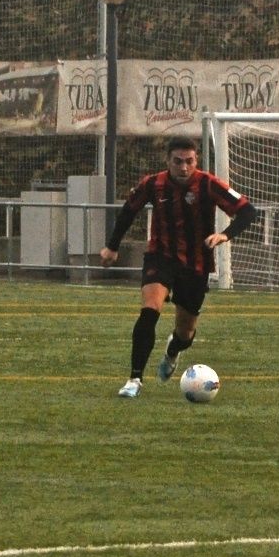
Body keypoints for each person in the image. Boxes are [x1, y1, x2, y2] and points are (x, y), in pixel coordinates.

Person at [100, 135, 257, 398]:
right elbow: (128, 211)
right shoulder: (153, 184)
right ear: (168, 161)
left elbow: (248, 211)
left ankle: (173, 350)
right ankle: (134, 379)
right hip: (160, 257)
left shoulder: (208, 183)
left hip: (196, 264)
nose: (184, 168)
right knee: (150, 310)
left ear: (196, 160)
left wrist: (225, 235)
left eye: (189, 162)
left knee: (185, 332)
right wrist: (112, 246)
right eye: (178, 162)